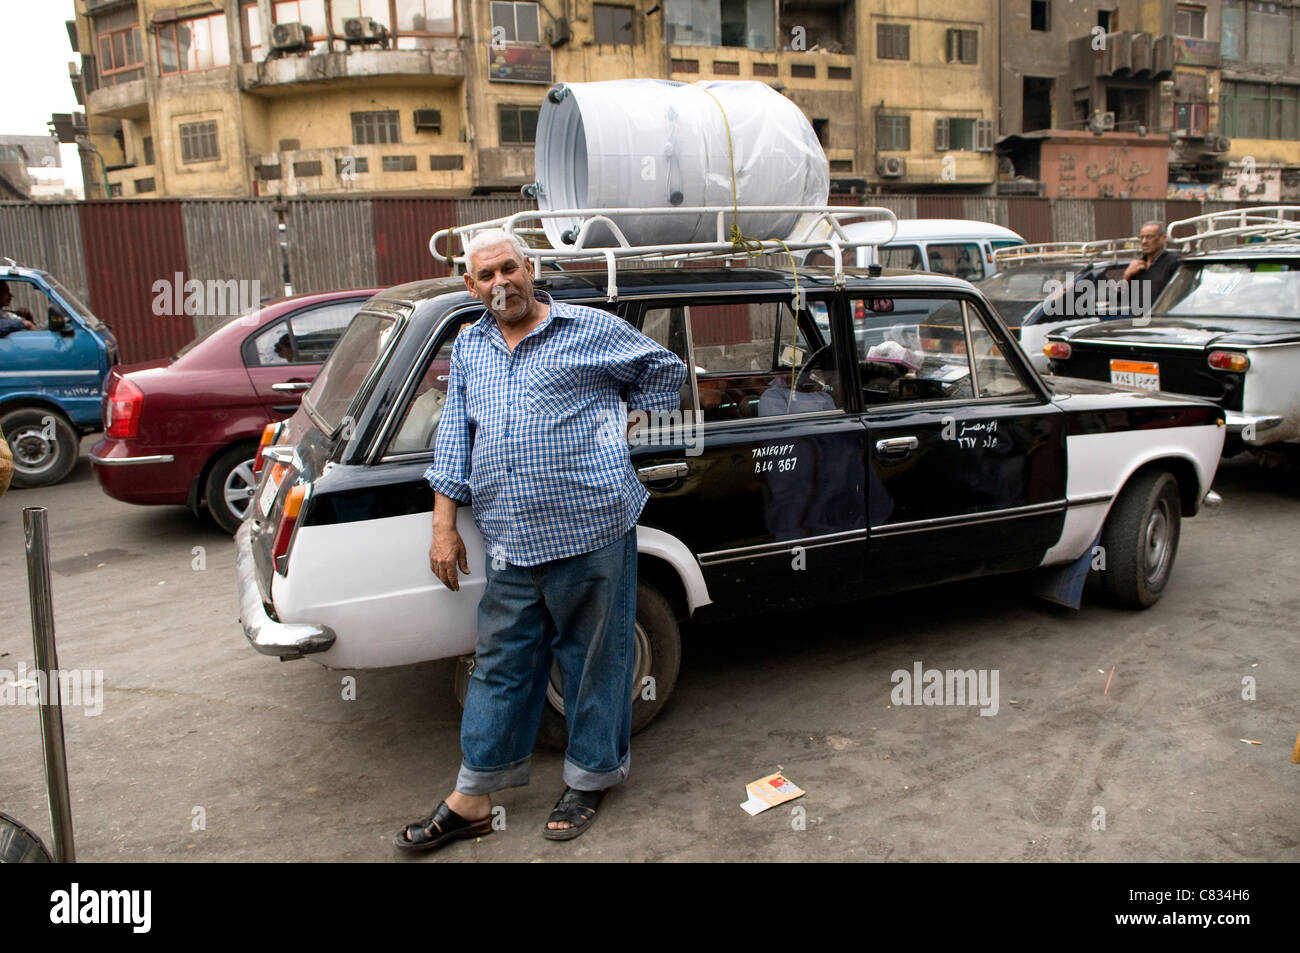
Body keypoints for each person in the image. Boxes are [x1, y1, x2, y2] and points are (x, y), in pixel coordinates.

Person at [396, 228, 687, 852]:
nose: (501, 283)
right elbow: (456, 438)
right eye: (486, 276)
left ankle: (590, 779)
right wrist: (443, 525)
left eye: (509, 268)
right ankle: (472, 796)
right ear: (470, 287)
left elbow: (665, 372)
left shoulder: (589, 328)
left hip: (593, 528)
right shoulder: (470, 346)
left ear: (530, 268)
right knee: (499, 666)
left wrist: (621, 424)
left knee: (594, 663)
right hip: (509, 540)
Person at [1123, 220, 1180, 313]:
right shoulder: (1137, 266)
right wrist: (1127, 275)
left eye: (1150, 237)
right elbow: (1120, 299)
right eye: (1141, 237)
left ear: (1163, 238)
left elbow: (1179, 296)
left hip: (1162, 322)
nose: (1144, 241)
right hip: (1140, 323)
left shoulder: (1173, 262)